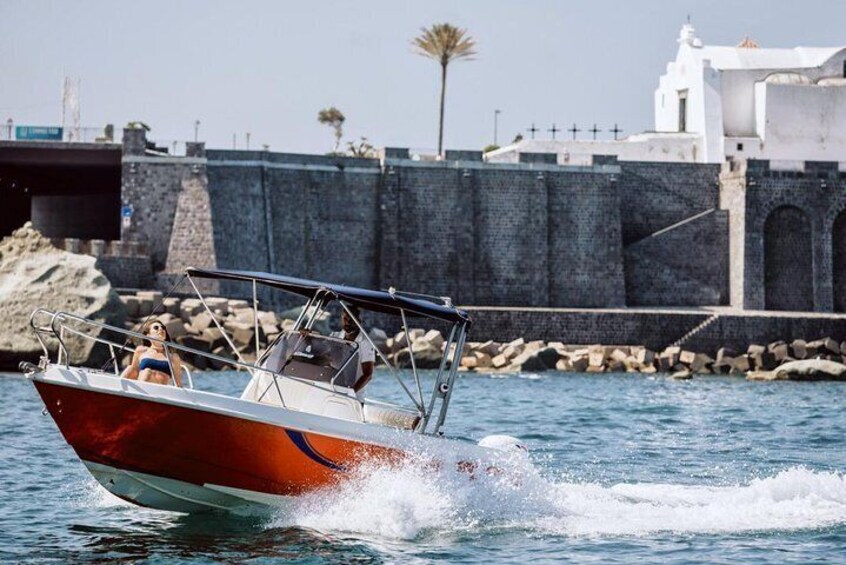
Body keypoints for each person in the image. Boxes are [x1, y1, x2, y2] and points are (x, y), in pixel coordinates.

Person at [121, 319, 183, 387]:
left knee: (148, 372)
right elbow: (134, 371)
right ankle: (118, 389)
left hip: (160, 390)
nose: (161, 329)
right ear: (148, 335)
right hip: (140, 384)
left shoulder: (173, 357)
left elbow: (178, 383)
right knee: (130, 368)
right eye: (156, 328)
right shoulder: (141, 350)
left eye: (163, 328)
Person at [333, 305, 375, 393]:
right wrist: (306, 335)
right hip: (331, 390)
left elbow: (368, 374)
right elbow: (319, 351)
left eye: (351, 320)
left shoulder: (365, 343)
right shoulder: (334, 337)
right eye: (345, 319)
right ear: (341, 319)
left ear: (359, 321)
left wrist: (350, 393)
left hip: (353, 398)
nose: (348, 322)